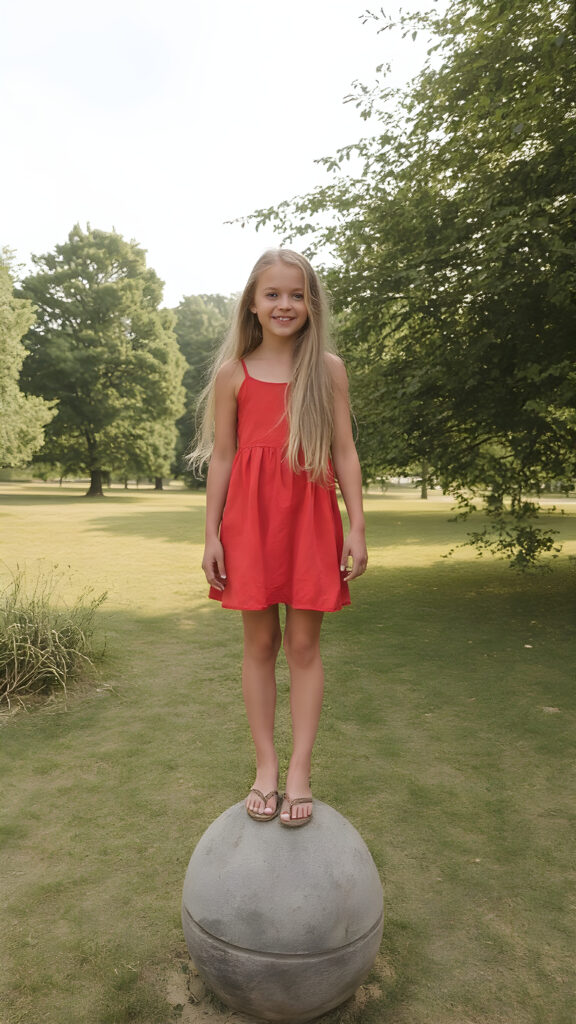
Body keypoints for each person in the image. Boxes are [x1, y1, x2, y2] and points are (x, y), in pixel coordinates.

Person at [189, 249, 367, 827]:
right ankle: (265, 767)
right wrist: (211, 533)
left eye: (297, 294)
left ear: (311, 304)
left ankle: (299, 772)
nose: (285, 304)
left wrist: (357, 526)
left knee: (305, 648)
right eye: (273, 294)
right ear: (253, 303)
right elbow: (222, 457)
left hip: (312, 520)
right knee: (260, 645)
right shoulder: (232, 375)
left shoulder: (328, 370)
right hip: (251, 523)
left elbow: (344, 452)